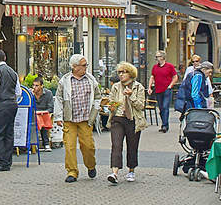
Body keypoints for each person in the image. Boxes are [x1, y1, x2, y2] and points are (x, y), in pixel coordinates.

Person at [53, 54, 99, 183]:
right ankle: (72, 171)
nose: (86, 67)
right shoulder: (65, 80)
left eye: (86, 65)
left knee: (88, 146)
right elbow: (59, 98)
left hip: (85, 119)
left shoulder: (91, 79)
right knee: (70, 147)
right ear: (74, 67)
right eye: (83, 65)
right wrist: (57, 116)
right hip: (70, 119)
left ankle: (91, 165)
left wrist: (94, 114)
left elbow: (97, 97)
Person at [102, 61, 147, 183]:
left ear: (130, 74)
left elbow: (141, 106)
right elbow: (112, 100)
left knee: (132, 146)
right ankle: (114, 172)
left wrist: (131, 95)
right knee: (116, 145)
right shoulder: (116, 87)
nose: (121, 75)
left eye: (124, 72)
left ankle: (131, 170)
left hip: (132, 120)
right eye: (119, 72)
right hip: (118, 119)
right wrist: (112, 106)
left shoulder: (138, 87)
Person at [150, 51, 177, 136]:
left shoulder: (169, 66)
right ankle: (165, 123)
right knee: (161, 108)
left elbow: (175, 77)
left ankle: (165, 125)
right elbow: (152, 77)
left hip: (167, 89)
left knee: (165, 107)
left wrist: (170, 86)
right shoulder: (155, 67)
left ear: (162, 57)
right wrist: (150, 87)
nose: (156, 58)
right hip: (158, 90)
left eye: (158, 56)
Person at [30, 78, 54, 149]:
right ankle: (35, 144)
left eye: (37, 85)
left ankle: (45, 143)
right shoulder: (30, 94)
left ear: (42, 86)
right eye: (33, 85)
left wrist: (42, 112)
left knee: (42, 120)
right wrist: (31, 95)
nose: (34, 87)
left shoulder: (48, 93)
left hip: (44, 115)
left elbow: (51, 108)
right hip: (33, 115)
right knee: (35, 119)